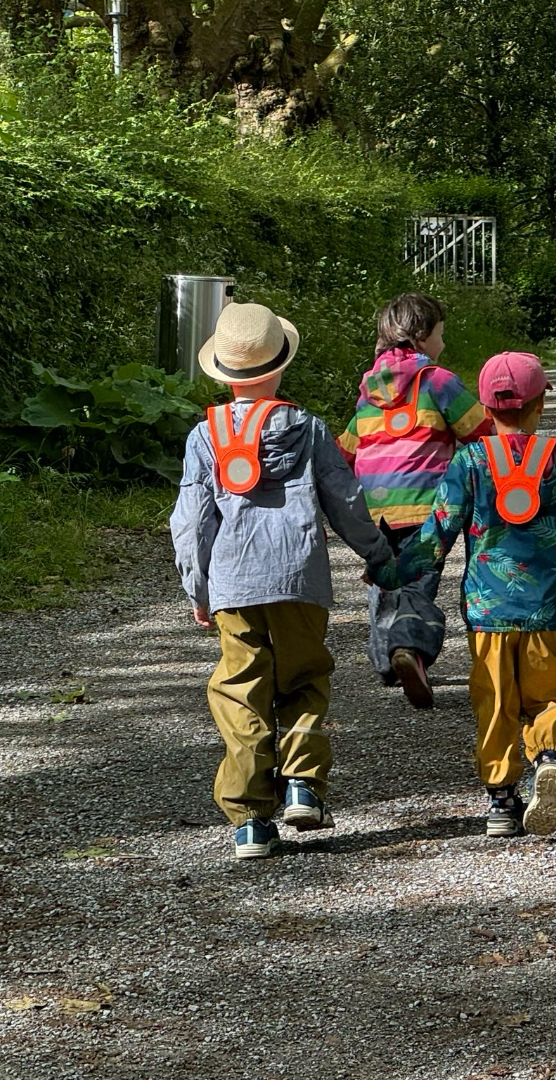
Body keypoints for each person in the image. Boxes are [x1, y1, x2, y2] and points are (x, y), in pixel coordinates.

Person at [171, 302, 400, 860]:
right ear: (279, 367)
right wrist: (378, 554)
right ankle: (302, 785)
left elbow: (192, 522)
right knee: (303, 678)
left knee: (241, 691)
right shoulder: (308, 428)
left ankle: (250, 821)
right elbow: (344, 499)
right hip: (299, 579)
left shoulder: (204, 437)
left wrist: (198, 587)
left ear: (224, 373)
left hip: (233, 584)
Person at [401, 352, 556, 838]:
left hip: (486, 611)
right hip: (545, 608)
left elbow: (438, 531)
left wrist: (391, 571)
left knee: (494, 704)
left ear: (486, 409)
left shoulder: (470, 462)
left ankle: (501, 801)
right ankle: (549, 754)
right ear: (540, 405)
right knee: (553, 693)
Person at [338, 294, 491, 709]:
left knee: (384, 576)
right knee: (419, 584)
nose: (444, 342)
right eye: (440, 334)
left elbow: (348, 447)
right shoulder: (437, 381)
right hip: (424, 505)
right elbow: (478, 429)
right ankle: (409, 648)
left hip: (374, 509)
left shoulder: (369, 389)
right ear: (421, 337)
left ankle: (385, 659)